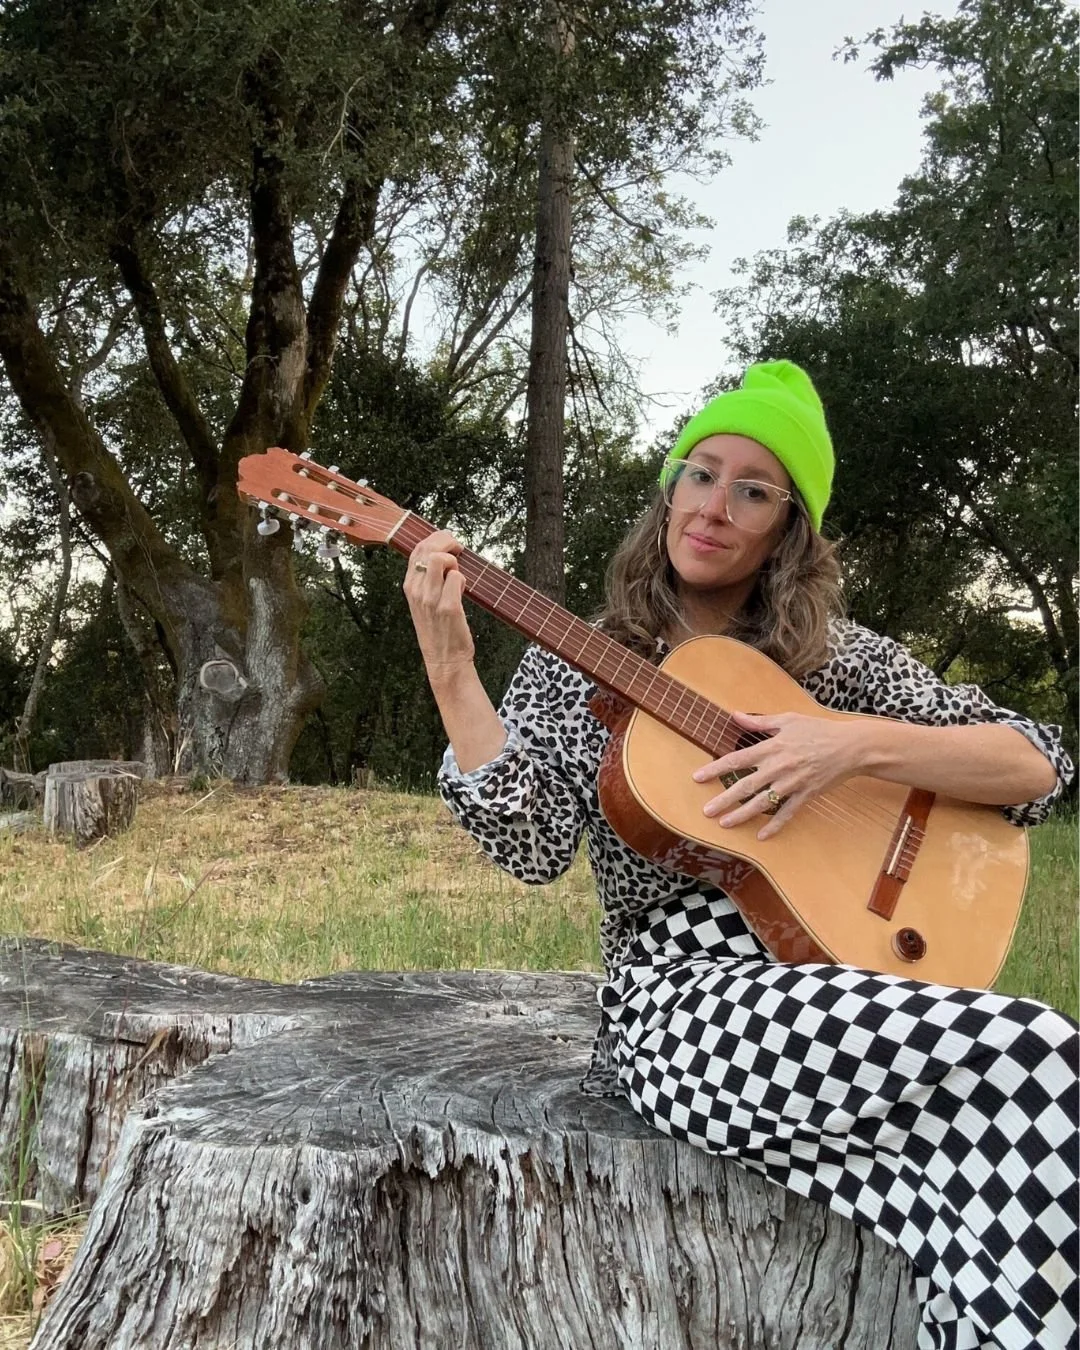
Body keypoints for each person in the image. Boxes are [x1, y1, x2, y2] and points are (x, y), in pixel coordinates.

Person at [403, 359, 1078, 1350]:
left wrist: (850, 744)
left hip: (846, 977)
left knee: (989, 1174)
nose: (714, 506)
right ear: (669, 488)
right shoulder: (572, 661)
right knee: (1031, 1053)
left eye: (754, 490)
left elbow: (1037, 763)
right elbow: (533, 845)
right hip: (679, 1003)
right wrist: (453, 669)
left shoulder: (839, 662)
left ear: (788, 530)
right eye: (701, 472)